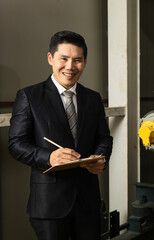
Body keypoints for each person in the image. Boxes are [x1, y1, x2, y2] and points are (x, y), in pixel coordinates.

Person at [8, 30, 113, 240]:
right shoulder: (29, 96)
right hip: (49, 204)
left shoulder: (93, 98)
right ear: (50, 58)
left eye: (77, 60)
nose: (70, 67)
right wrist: (48, 157)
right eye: (63, 59)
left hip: (88, 202)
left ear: (85, 61)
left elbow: (104, 138)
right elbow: (16, 144)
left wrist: (100, 158)